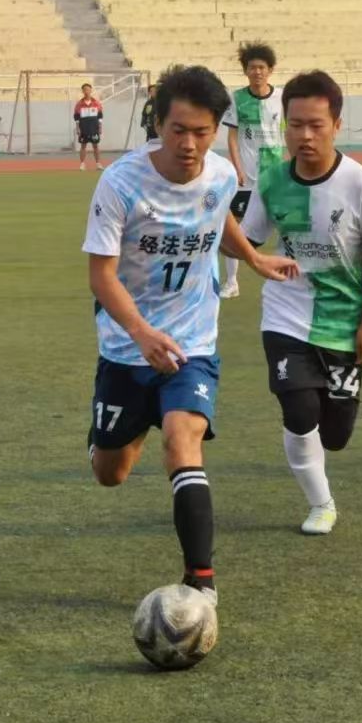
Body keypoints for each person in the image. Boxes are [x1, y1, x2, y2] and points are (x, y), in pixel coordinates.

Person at [82, 65, 299, 604]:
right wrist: (141, 333)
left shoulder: (221, 175)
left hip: (193, 343)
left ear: (215, 129)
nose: (189, 143)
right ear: (159, 124)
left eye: (202, 132)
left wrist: (253, 258)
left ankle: (201, 583)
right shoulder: (121, 183)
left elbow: (219, 218)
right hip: (127, 348)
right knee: (111, 473)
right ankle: (114, 433)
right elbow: (101, 275)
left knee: (183, 442)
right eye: (178, 130)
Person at [241, 71, 362, 536]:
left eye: (316, 125)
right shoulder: (271, 181)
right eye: (295, 125)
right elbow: (247, 241)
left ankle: (320, 462)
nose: (304, 136)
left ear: (337, 126)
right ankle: (320, 503)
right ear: (283, 126)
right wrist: (255, 260)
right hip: (285, 314)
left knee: (335, 435)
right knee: (299, 410)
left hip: (344, 321)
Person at [220, 41, 286, 299]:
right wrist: (237, 168)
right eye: (252, 67)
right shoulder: (237, 99)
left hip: (276, 176)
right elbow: (232, 138)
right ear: (245, 71)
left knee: (289, 226)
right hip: (246, 177)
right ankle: (231, 282)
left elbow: (288, 133)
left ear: (270, 70)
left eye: (261, 67)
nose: (257, 72)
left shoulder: (282, 98)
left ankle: (290, 276)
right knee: (234, 229)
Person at [75, 83, 104, 171]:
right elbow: (76, 117)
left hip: (94, 127)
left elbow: (100, 116)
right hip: (83, 128)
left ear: (91, 90)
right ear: (82, 91)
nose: (86, 91)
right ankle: (82, 164)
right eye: (85, 90)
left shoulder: (96, 103)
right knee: (83, 146)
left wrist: (100, 127)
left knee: (95, 146)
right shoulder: (79, 104)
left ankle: (98, 164)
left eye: (88, 89)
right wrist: (78, 128)